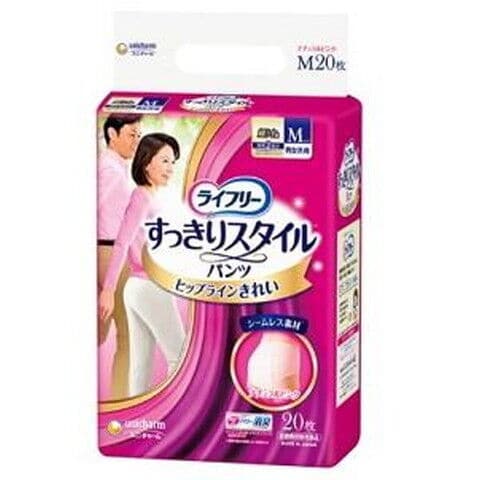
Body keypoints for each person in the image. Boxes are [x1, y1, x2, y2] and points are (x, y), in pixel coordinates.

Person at [99, 133, 186, 397]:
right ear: (147, 162)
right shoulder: (142, 197)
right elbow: (122, 243)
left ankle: (136, 418)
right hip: (148, 287)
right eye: (164, 161)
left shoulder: (155, 198)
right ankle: (175, 416)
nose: (170, 168)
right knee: (179, 359)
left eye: (173, 162)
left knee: (141, 364)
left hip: (141, 288)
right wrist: (108, 290)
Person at [98, 113, 142, 399]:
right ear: (112, 134)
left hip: (107, 252)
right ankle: (121, 403)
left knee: (100, 330)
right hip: (110, 253)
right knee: (128, 336)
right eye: (131, 134)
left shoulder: (115, 167)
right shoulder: (110, 171)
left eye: (139, 135)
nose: (136, 141)